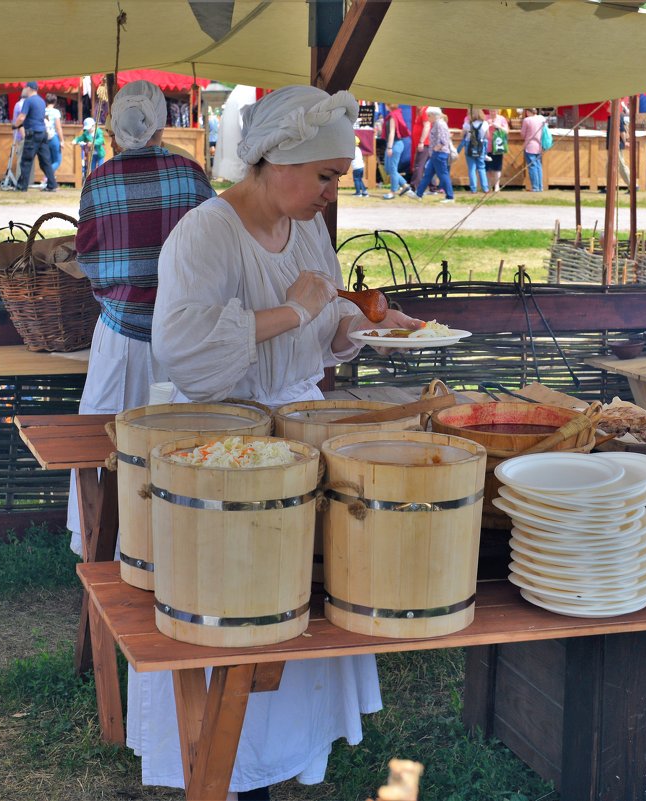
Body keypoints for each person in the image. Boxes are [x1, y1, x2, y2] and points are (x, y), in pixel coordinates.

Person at [150, 84, 413, 799]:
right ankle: (225, 762)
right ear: (274, 160)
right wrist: (287, 309)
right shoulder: (205, 233)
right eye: (326, 175)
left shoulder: (307, 230)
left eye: (339, 176)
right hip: (224, 446)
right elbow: (186, 353)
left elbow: (323, 326)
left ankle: (282, 751)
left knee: (298, 602)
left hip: (297, 430)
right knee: (238, 606)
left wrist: (364, 327)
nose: (333, 190)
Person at [64, 79, 215, 558]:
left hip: (120, 335)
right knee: (182, 443)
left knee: (102, 444)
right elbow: (214, 255)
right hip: (184, 336)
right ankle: (179, 544)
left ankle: (100, 546)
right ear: (161, 123)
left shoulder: (100, 180)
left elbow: (87, 256)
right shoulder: (192, 176)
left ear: (114, 125)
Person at [12, 81, 57, 191]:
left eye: (25, 88)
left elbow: (22, 117)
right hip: (42, 133)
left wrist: (15, 125)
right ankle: (52, 185)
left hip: (32, 133)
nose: (24, 90)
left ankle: (22, 186)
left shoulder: (28, 100)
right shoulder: (41, 101)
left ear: (29, 88)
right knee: (45, 161)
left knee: (26, 160)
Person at [409, 107, 454, 202]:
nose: (428, 117)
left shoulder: (440, 124)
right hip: (436, 154)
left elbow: (443, 141)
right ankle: (418, 194)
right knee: (428, 175)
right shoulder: (436, 123)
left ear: (434, 115)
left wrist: (435, 149)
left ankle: (450, 197)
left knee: (443, 175)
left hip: (439, 154)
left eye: (429, 115)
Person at [380, 103, 411, 199]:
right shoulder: (394, 114)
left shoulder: (393, 116)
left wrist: (389, 147)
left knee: (392, 169)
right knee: (388, 168)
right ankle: (405, 186)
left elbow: (392, 132)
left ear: (389, 105)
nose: (384, 105)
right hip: (394, 144)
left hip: (395, 144)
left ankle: (393, 192)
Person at [458, 108, 490, 193]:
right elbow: (487, 135)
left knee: (472, 168)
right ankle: (485, 188)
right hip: (480, 146)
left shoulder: (467, 124)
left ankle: (473, 189)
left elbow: (462, 135)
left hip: (469, 146)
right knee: (481, 167)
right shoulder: (485, 123)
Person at [520, 107, 546, 192]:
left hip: (530, 145)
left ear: (527, 112)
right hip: (539, 145)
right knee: (538, 166)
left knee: (532, 166)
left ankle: (535, 187)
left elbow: (523, 134)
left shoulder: (527, 120)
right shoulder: (541, 118)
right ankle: (540, 186)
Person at [485, 108, 509, 192]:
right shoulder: (485, 118)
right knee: (487, 168)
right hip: (487, 145)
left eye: (494, 111)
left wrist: (498, 126)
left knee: (497, 167)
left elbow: (506, 131)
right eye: (491, 111)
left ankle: (497, 185)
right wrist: (487, 125)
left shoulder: (502, 119)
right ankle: (488, 185)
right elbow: (481, 131)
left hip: (498, 146)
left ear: (497, 111)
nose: (492, 112)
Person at [44, 93, 64, 173]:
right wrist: (62, 140)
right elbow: (58, 128)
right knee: (57, 161)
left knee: (50, 160)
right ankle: (46, 177)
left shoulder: (43, 111)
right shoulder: (56, 112)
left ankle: (50, 180)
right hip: (53, 137)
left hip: (45, 137)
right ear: (55, 102)